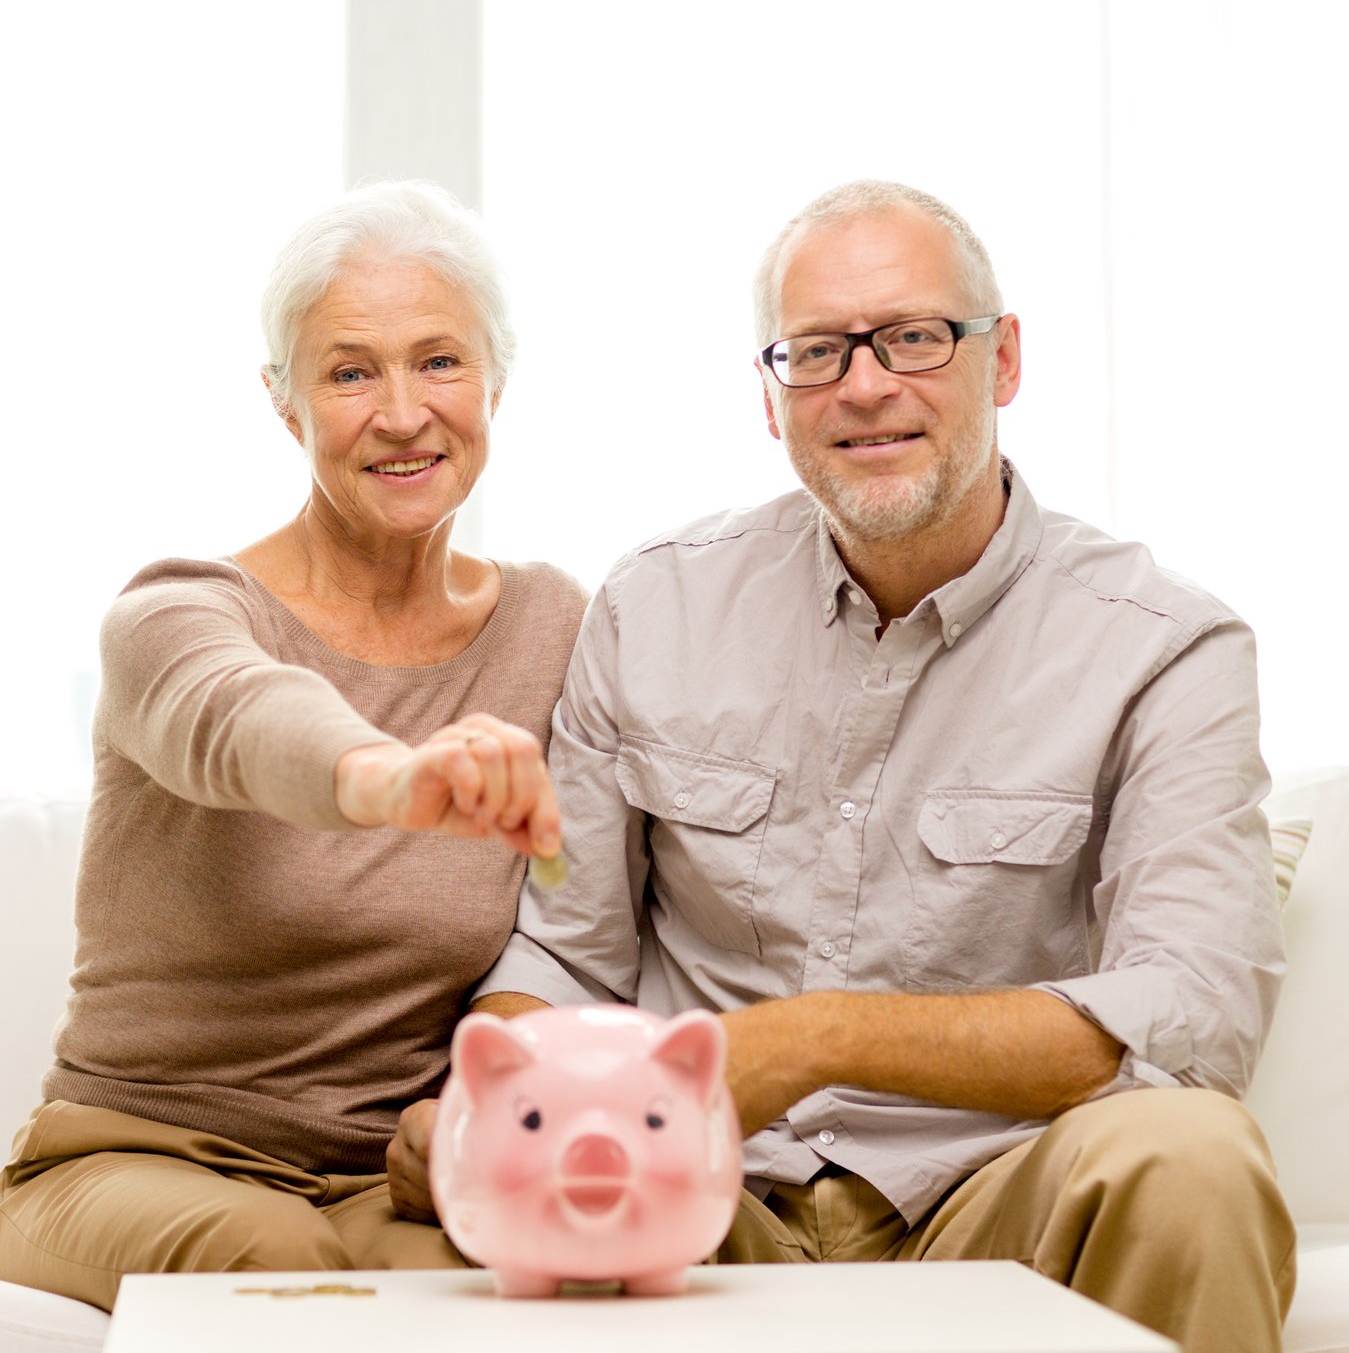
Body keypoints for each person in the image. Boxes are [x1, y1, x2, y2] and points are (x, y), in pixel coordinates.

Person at [394, 181, 1293, 1353]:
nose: (864, 386)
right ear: (770, 399)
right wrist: (493, 1097)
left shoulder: (1163, 643)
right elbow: (568, 947)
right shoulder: (653, 604)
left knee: (1193, 1155)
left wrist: (818, 1037)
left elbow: (1191, 1012)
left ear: (1003, 359)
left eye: (915, 338)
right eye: (815, 352)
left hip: (995, 1189)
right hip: (697, 1198)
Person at [0, 181, 587, 1310]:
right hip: (128, 1159)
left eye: (438, 362)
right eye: (351, 372)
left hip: (379, 1183)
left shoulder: (554, 627)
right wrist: (388, 776)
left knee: (529, 1277)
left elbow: (581, 919)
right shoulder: (179, 612)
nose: (402, 414)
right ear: (284, 402)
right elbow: (241, 716)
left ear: (496, 377)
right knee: (281, 1269)